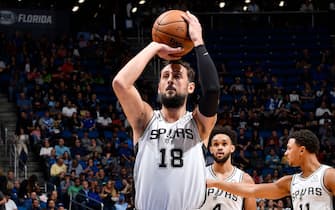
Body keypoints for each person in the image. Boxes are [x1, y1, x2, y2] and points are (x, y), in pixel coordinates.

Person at [112, 10, 220, 210]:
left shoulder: (199, 123)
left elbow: (212, 90)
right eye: (165, 76)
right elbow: (120, 83)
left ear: (190, 87)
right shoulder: (145, 119)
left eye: (177, 76)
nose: (170, 79)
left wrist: (198, 41)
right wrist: (154, 46)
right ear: (159, 86)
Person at [207, 129, 335, 210]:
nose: (285, 153)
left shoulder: (328, 175)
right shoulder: (290, 182)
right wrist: (215, 183)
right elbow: (252, 190)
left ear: (301, 150)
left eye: (289, 148)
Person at [200, 126, 256, 210]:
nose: (220, 147)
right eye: (216, 144)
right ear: (211, 149)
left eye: (224, 144)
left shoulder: (245, 180)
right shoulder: (200, 175)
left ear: (232, 148)